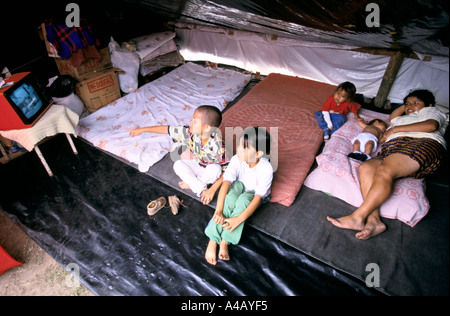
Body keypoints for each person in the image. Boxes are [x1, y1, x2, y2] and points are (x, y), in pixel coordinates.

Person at [327, 89, 448, 240]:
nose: (410, 106)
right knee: (366, 167)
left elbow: (430, 126)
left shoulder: (432, 111)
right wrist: (407, 107)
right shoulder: (402, 118)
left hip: (422, 143)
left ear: (429, 104)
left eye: (416, 103)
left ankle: (358, 217)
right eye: (407, 103)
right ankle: (374, 221)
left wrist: (394, 130)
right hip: (394, 148)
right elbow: (393, 117)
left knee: (384, 171)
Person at [127, 105, 228, 205]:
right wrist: (141, 130)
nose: (190, 122)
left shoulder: (217, 145)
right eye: (192, 119)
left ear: (207, 128)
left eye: (195, 121)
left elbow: (228, 170)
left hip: (209, 169)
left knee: (216, 169)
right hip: (198, 164)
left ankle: (194, 185)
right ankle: (198, 186)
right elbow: (167, 129)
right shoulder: (189, 132)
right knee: (178, 164)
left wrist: (213, 189)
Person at [204, 127, 273, 265]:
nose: (239, 149)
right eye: (240, 145)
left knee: (242, 201)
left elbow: (258, 198)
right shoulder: (237, 159)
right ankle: (213, 239)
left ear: (258, 153)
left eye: (245, 148)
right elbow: (226, 183)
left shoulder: (266, 169)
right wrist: (218, 211)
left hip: (254, 194)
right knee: (230, 198)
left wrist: (237, 220)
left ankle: (225, 241)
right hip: (239, 184)